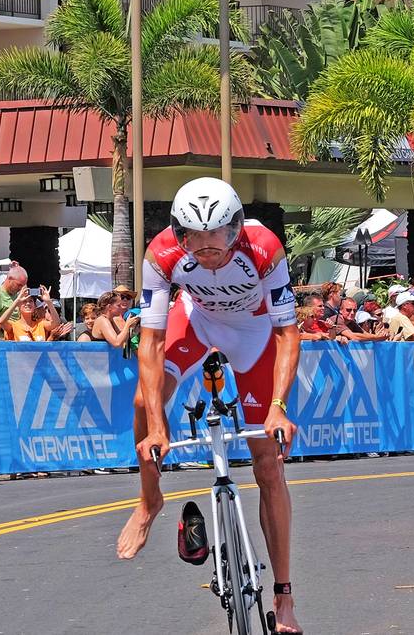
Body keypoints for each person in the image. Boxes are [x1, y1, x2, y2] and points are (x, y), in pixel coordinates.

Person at [116, 177, 302, 634]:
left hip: (255, 334)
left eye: (216, 235)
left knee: (267, 464)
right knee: (144, 400)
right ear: (178, 233)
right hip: (198, 321)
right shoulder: (161, 254)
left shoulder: (265, 248)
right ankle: (150, 500)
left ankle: (284, 596)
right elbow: (152, 342)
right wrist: (158, 425)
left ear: (235, 228)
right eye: (192, 237)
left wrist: (277, 406)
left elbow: (287, 334)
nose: (205, 247)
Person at [0, 264, 28, 339]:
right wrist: (10, 327)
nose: (20, 288)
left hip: (16, 341)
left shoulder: (17, 294)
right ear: (9, 279)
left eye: (22, 285)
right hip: (1, 344)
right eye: (18, 285)